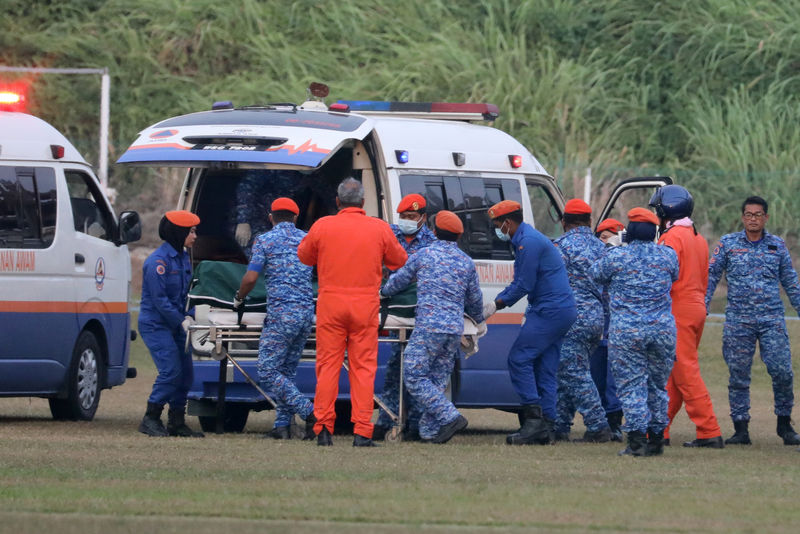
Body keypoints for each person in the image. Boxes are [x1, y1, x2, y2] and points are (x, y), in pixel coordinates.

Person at [297, 178, 408, 446]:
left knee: (327, 368)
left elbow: (304, 257)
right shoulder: (379, 228)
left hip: (331, 306)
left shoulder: (322, 226)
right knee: (363, 369)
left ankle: (323, 429)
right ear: (363, 202)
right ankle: (361, 432)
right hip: (364, 308)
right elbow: (400, 261)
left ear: (337, 202)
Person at [380, 210, 484, 443]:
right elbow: (475, 301)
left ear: (435, 232)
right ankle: (429, 433)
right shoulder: (466, 262)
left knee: (413, 376)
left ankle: (451, 416)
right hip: (454, 330)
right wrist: (479, 320)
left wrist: (382, 292)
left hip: (429, 327)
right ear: (458, 237)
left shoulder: (424, 254)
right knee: (436, 380)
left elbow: (399, 280)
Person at [706, 195, 800, 446]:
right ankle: (741, 429)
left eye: (758, 215)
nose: (753, 219)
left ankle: (784, 425)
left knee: (782, 371)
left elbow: (790, 280)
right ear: (742, 217)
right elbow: (711, 276)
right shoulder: (728, 244)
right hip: (739, 320)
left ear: (766, 218)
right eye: (748, 215)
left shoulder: (777, 245)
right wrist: (701, 306)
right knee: (738, 375)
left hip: (772, 319)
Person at [482, 200, 577, 445]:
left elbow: (523, 284)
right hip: (559, 309)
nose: (497, 229)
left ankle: (533, 421)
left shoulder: (529, 243)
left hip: (550, 310)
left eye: (497, 225)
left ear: (508, 222)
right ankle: (547, 424)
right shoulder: (527, 239)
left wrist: (496, 304)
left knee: (519, 358)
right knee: (544, 367)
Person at [591, 207, 678, 456]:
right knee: (658, 385)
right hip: (662, 330)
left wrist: (612, 247)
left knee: (631, 386)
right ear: (654, 232)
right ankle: (657, 439)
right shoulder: (668, 255)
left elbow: (595, 273)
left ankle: (637, 441)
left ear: (629, 231)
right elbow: (675, 275)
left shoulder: (617, 256)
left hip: (627, 331)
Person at [233, 197, 315, 440]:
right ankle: (281, 426)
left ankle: (310, 412)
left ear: (270, 217)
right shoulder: (308, 238)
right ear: (296, 217)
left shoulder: (265, 240)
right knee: (287, 372)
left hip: (281, 315)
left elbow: (250, 279)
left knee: (268, 370)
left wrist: (238, 298)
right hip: (305, 315)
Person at [650, 185, 724, 449]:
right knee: (675, 375)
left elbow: (661, 277)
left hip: (677, 308)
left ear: (666, 210)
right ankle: (658, 429)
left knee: (685, 373)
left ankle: (709, 430)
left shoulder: (671, 238)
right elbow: (704, 278)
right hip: (696, 308)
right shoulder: (697, 237)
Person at [374, 193, 436, 441]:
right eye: (403, 217)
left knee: (418, 371)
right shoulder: (389, 234)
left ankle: (416, 425)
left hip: (418, 312)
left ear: (423, 217)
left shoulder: (431, 242)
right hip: (392, 308)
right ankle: (385, 420)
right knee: (394, 370)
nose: (406, 221)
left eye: (411, 217)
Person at [138, 210, 204, 438]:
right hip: (156, 325)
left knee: (186, 374)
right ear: (179, 232)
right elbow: (160, 300)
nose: (195, 236)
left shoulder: (184, 257)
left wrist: (192, 315)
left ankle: (176, 421)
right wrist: (181, 320)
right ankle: (151, 417)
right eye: (191, 231)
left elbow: (187, 294)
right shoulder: (158, 263)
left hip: (176, 324)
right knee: (170, 371)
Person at [553, 199, 613, 443]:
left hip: (572, 317)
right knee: (567, 371)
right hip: (596, 318)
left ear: (564, 222)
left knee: (573, 371)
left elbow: (553, 283)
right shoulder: (603, 248)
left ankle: (598, 425)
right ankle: (559, 424)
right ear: (590, 221)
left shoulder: (560, 246)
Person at [590, 218, 625, 440]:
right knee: (596, 377)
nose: (604, 242)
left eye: (608, 237)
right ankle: (599, 423)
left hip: (616, 330)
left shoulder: (625, 261)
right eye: (601, 237)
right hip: (596, 328)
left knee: (615, 380)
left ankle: (615, 423)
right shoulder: (594, 262)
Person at [234, 170, 301, 256]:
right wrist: (243, 221)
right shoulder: (277, 166)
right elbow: (246, 187)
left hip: (284, 218)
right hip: (255, 215)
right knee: (255, 247)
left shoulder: (315, 169)